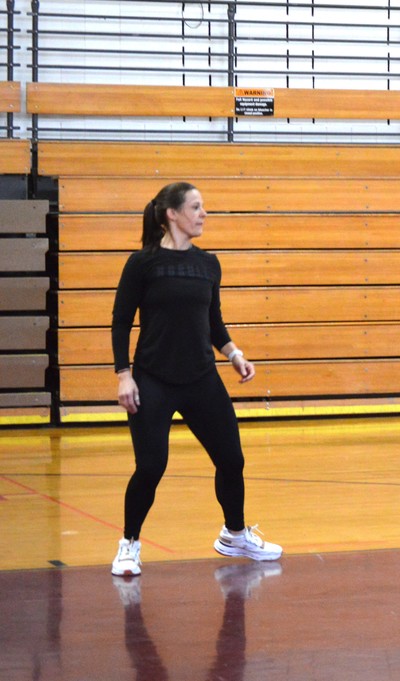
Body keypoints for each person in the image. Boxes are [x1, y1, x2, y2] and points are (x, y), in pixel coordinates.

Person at [110, 182, 282, 577]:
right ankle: (129, 544)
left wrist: (234, 354)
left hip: (201, 378)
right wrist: (124, 376)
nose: (203, 214)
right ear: (172, 214)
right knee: (150, 467)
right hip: (153, 379)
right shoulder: (142, 263)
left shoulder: (208, 264)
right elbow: (121, 322)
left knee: (232, 460)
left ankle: (234, 534)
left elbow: (212, 321)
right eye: (196, 207)